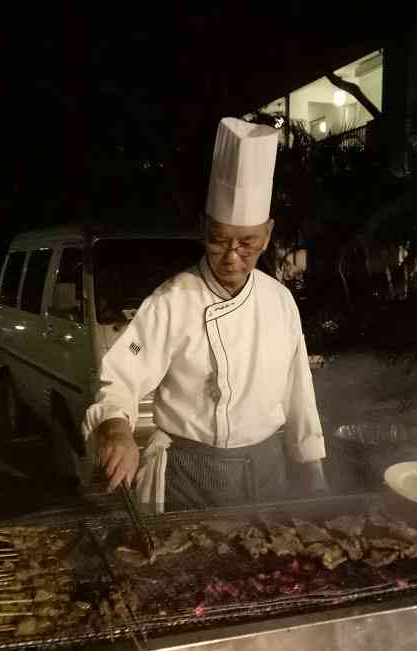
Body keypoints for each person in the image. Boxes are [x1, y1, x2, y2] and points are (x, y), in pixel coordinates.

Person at [84, 118, 327, 512]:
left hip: (266, 470)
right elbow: (119, 380)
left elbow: (299, 394)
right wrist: (116, 429)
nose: (232, 256)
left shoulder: (279, 301)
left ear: (267, 235)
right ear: (202, 228)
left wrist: (313, 471)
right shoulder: (171, 300)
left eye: (247, 243)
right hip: (188, 472)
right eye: (219, 240)